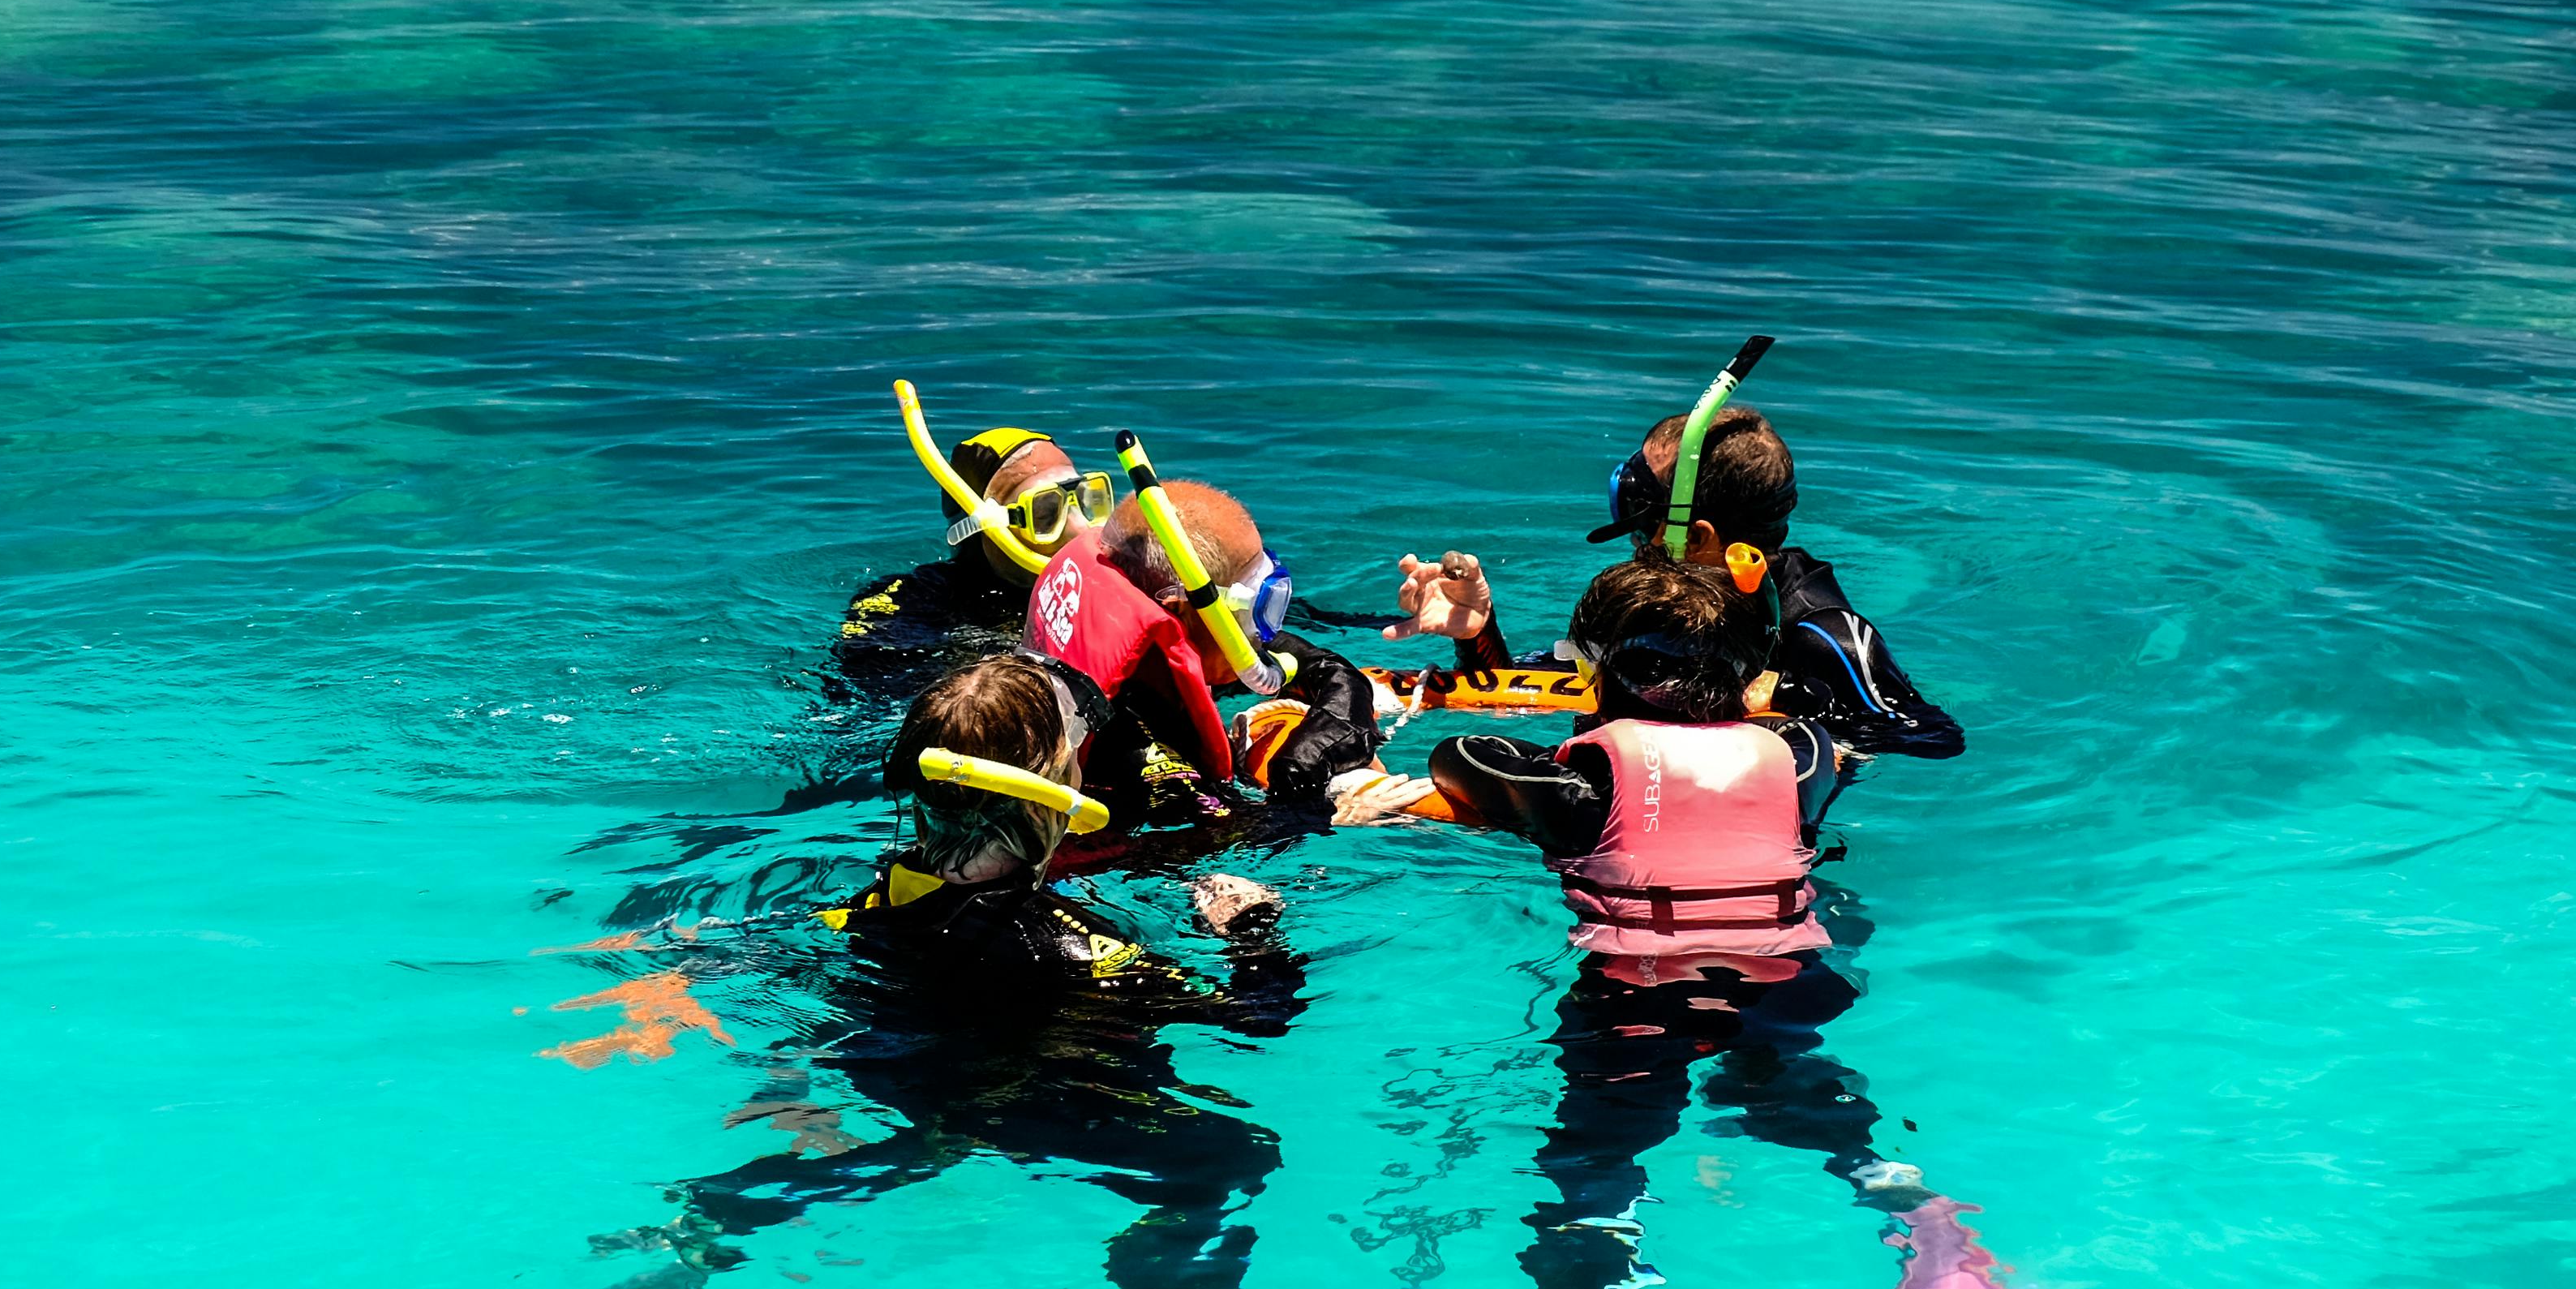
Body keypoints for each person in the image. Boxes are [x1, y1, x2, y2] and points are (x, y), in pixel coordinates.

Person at [517, 650, 1305, 1289]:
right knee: (1233, 1162)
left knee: (917, 1144)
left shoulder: (865, 901)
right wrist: (1255, 936)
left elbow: (784, 971)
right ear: (1054, 796)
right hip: (1050, 1108)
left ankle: (672, 1272)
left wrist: (784, 1073)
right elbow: (1249, 1022)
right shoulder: (1080, 950)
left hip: (898, 1079)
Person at [1400, 557, 2114, 1289]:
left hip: (1636, 1011)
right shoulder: (1804, 756)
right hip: (1781, 992)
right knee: (1842, 1130)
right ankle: (1942, 1254)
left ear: (1599, 671)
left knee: (1589, 1188)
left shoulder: (1585, 775)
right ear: (1745, 673)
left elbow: (1468, 761)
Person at [1390, 403, 1965, 760]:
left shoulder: (1823, 634)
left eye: (1644, 514)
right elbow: (1535, 689)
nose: (1632, 536)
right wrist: (1477, 633)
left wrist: (1787, 698)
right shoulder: (1652, 607)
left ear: (1699, 538)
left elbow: (1933, 738)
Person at [1026, 470, 1393, 832]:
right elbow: (1217, 843)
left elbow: (1325, 669)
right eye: (1254, 608)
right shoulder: (1140, 759)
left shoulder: (1158, 655)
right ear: (1179, 610)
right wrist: (1322, 811)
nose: (1266, 631)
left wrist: (1313, 752)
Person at [833, 424, 1108, 700]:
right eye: (1045, 516)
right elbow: (861, 714)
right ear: (981, 530)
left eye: (1086, 502)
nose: (1081, 529)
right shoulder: (903, 607)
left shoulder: (1106, 589)